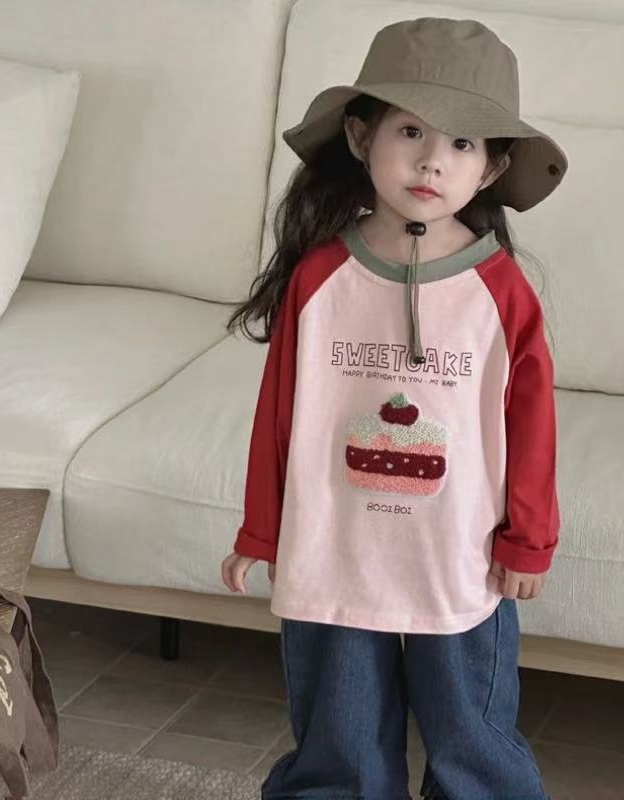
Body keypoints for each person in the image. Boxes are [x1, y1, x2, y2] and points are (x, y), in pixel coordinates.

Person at [220, 16, 567, 800]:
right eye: (410, 130)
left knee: (473, 741)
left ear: (491, 167)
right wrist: (263, 527)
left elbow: (532, 426)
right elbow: (280, 415)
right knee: (338, 739)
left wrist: (529, 540)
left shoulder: (501, 291)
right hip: (334, 544)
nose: (431, 159)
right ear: (360, 135)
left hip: (463, 553)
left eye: (462, 142)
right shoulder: (319, 277)